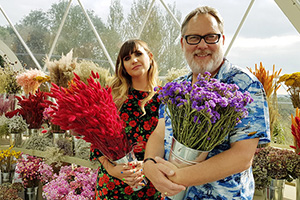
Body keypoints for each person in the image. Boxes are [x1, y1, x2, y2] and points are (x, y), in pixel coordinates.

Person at [143, 6, 271, 200]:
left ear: (222, 40)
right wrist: (149, 165)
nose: (202, 45)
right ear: (182, 43)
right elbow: (160, 133)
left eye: (211, 37)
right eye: (193, 38)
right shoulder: (176, 87)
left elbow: (242, 157)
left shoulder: (245, 85)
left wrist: (176, 178)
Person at [90, 39, 162, 199]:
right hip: (113, 183)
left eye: (138, 54)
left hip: (151, 183)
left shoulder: (165, 98)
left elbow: (171, 140)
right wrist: (110, 169)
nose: (133, 60)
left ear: (150, 57)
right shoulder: (113, 96)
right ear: (122, 65)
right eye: (127, 58)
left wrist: (148, 165)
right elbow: (94, 136)